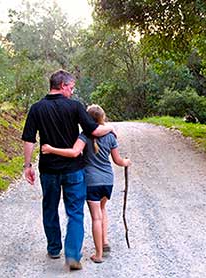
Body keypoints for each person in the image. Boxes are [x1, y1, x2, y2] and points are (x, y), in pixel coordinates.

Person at [21, 70, 115, 271]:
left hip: (48, 170)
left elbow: (29, 139)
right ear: (63, 85)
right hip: (73, 170)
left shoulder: (37, 108)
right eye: (71, 88)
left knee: (50, 208)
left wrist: (27, 165)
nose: (72, 92)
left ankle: (54, 248)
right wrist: (111, 128)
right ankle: (72, 254)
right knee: (75, 212)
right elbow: (95, 130)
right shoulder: (74, 107)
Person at [41, 104, 131, 263]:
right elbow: (118, 161)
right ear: (103, 117)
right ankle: (105, 241)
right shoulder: (111, 136)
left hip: (91, 181)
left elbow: (74, 152)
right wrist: (126, 162)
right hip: (108, 181)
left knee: (95, 217)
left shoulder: (84, 136)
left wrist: (50, 149)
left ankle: (98, 254)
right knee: (103, 210)